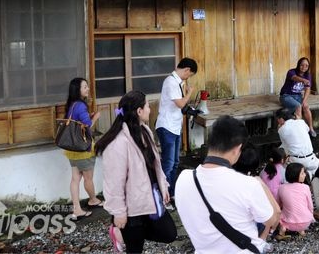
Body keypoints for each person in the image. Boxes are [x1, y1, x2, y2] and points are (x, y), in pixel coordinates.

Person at [175, 115, 279, 254]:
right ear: (237, 149)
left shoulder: (183, 179)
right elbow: (272, 220)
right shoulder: (248, 185)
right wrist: (262, 185)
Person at [96, 91, 177, 253]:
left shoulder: (145, 131)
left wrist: (164, 186)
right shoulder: (118, 143)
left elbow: (156, 165)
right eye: (147, 105)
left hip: (150, 198)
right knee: (135, 249)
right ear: (139, 111)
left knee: (169, 233)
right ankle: (121, 231)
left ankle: (120, 233)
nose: (150, 109)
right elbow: (114, 183)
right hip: (131, 207)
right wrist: (119, 213)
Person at [155, 57, 198, 200]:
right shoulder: (171, 82)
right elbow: (180, 104)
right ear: (186, 70)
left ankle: (172, 193)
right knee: (168, 164)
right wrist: (189, 93)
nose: (188, 77)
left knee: (175, 163)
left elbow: (180, 106)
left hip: (174, 127)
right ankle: (164, 195)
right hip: (167, 127)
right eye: (189, 74)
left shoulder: (177, 82)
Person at [62, 77, 103, 220]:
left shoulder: (72, 105)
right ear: (77, 90)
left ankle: (77, 209)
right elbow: (87, 125)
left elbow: (79, 122)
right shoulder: (80, 106)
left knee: (75, 179)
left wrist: (88, 117)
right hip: (83, 149)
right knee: (88, 178)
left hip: (71, 149)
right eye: (85, 87)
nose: (87, 89)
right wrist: (96, 117)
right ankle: (93, 200)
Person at [276, 108, 319, 178]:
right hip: (312, 160)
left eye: (277, 119)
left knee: (281, 168)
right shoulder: (301, 122)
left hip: (297, 161)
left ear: (281, 119)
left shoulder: (281, 129)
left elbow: (285, 147)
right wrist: (299, 120)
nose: (277, 122)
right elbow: (307, 129)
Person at [276, 163, 314, 240]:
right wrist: (310, 216)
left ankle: (282, 230)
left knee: (281, 211)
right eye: (302, 173)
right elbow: (310, 206)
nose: (305, 175)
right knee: (302, 209)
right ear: (296, 175)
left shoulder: (281, 187)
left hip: (289, 224)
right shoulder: (306, 187)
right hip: (305, 223)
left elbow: (278, 205)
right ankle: (301, 230)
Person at [280, 57, 316, 137]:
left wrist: (304, 100)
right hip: (286, 96)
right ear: (298, 65)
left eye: (306, 66)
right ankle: (299, 131)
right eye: (302, 65)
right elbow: (294, 78)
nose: (304, 67)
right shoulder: (291, 72)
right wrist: (303, 80)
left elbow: (307, 89)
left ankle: (311, 128)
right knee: (298, 106)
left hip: (297, 96)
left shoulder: (308, 75)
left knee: (305, 106)